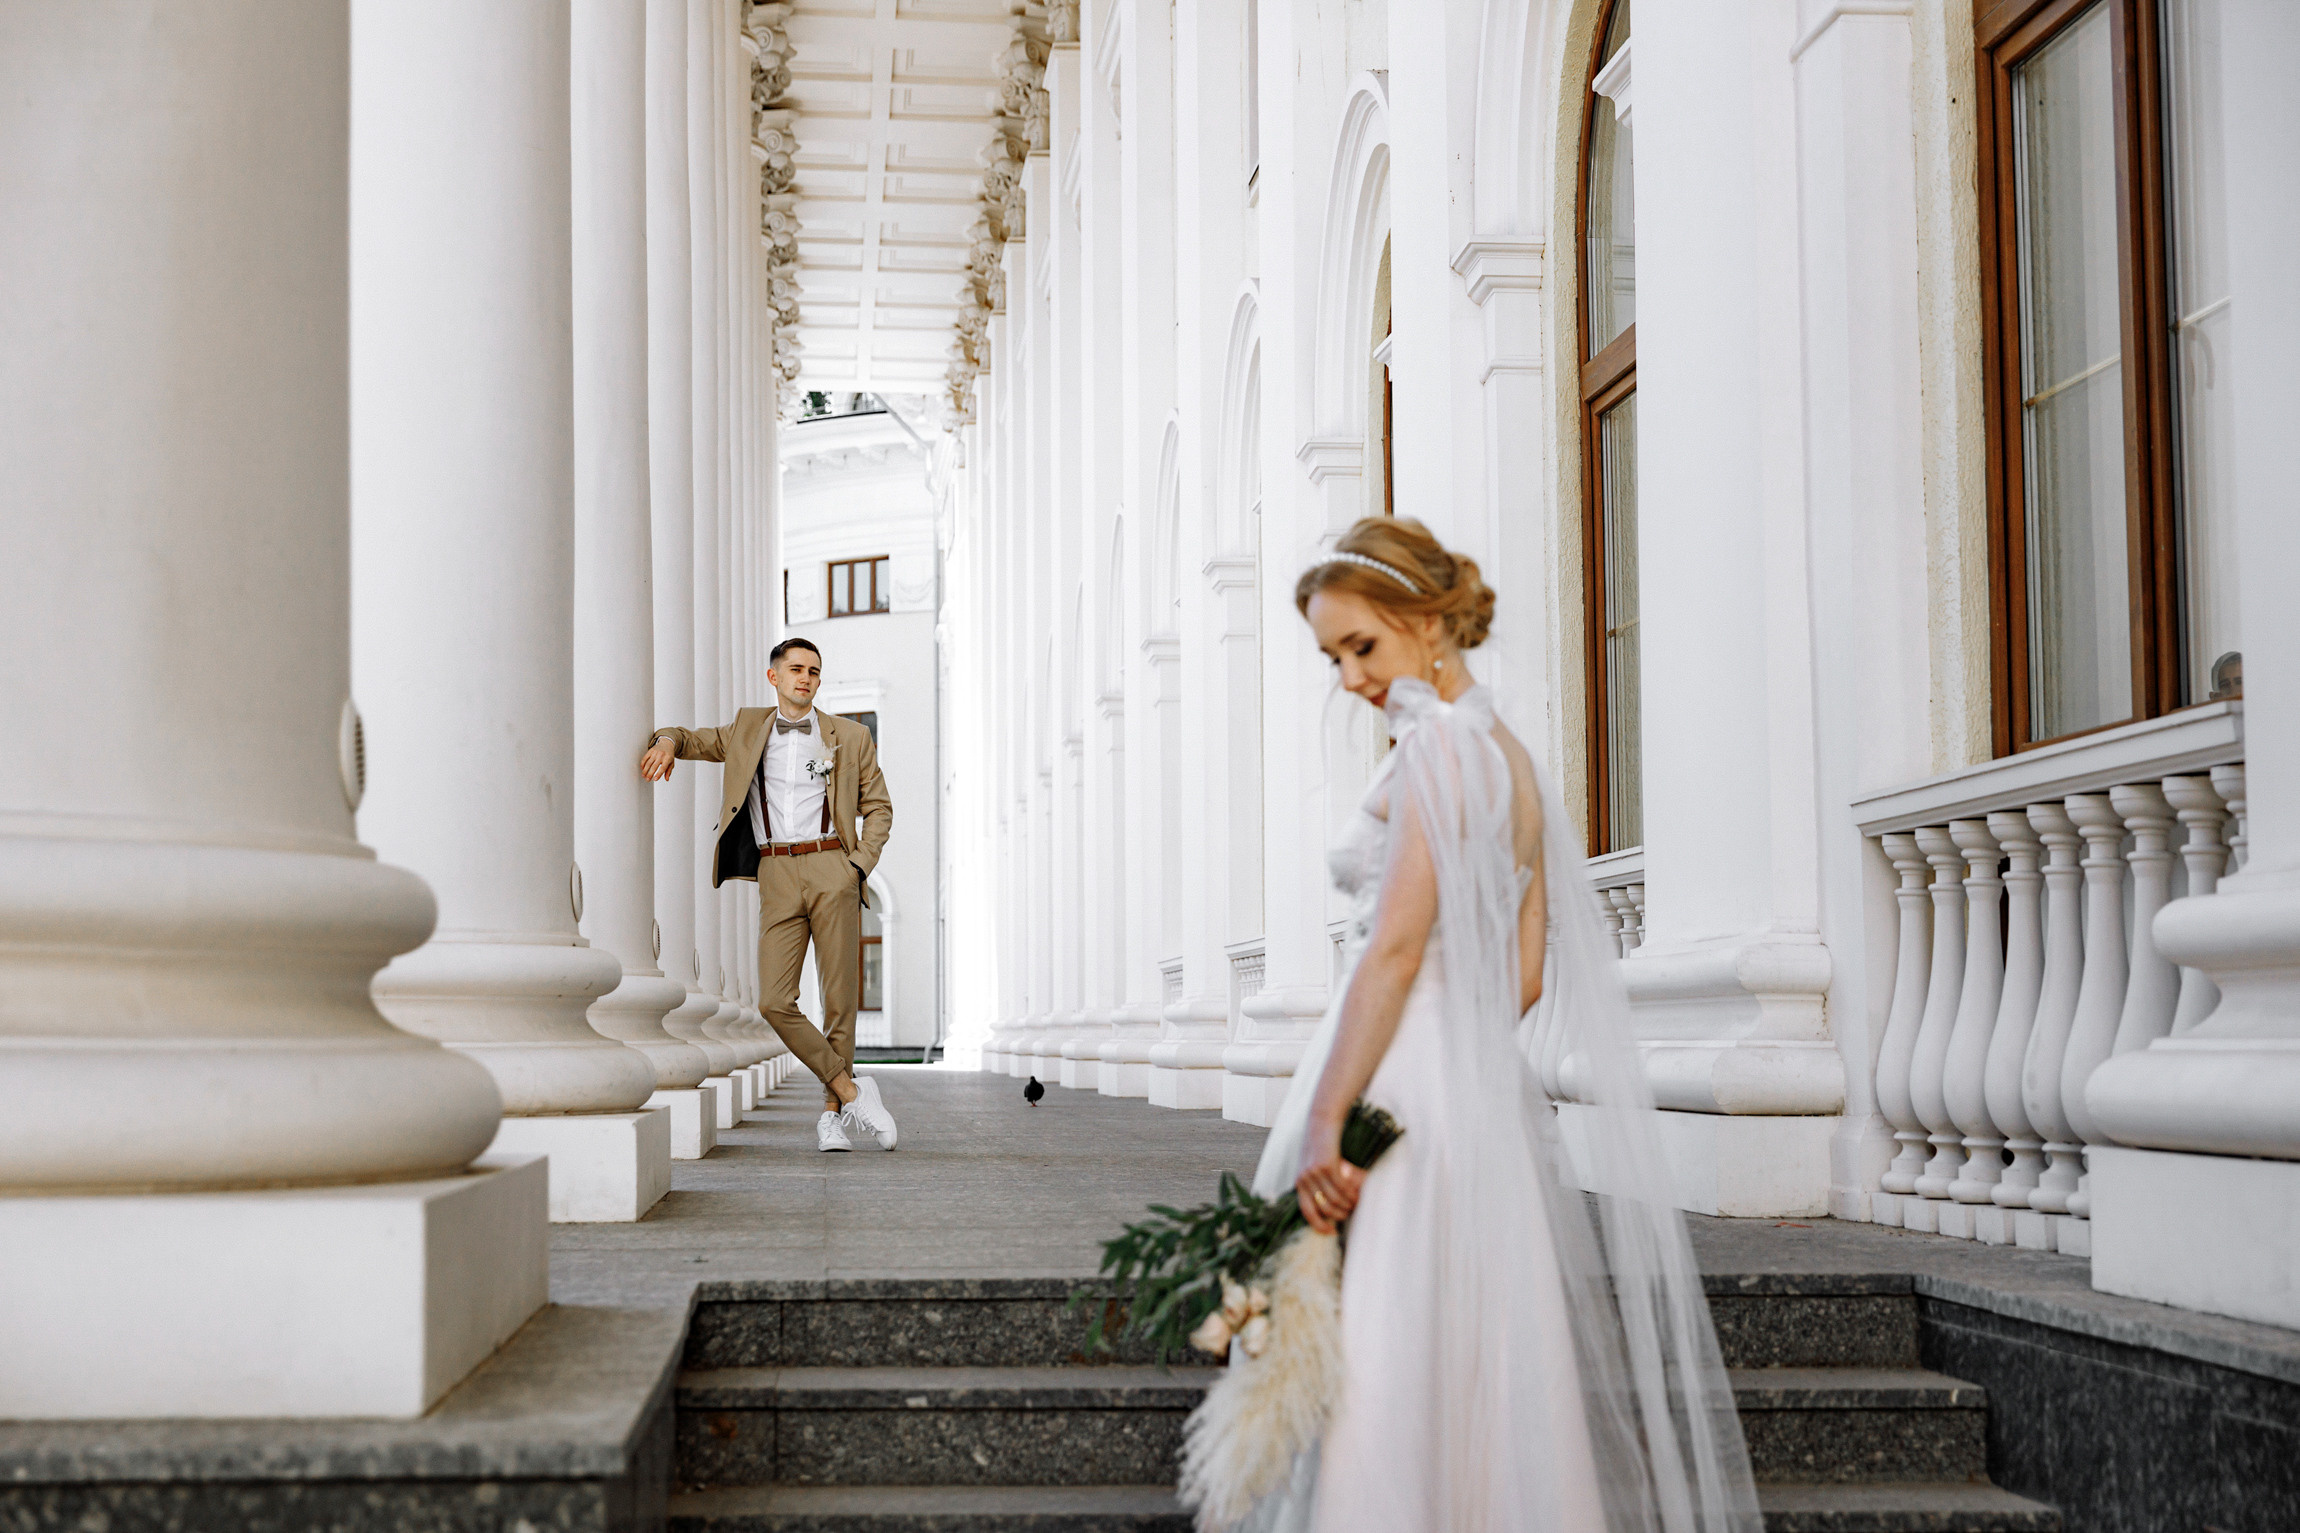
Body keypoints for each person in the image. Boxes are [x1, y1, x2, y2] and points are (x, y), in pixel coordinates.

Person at [1251, 518, 1759, 1531]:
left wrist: (1326, 1119)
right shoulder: (1508, 756)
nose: (1349, 678)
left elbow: (1394, 951)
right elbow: (1523, 976)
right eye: (1332, 657)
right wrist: (1456, 1051)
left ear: (1427, 620)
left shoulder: (1436, 749)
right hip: (1471, 1080)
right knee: (1476, 1347)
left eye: (1362, 645)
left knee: (1389, 1345)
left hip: (1400, 1076)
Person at [641, 636, 898, 1153]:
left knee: (839, 1001)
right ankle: (851, 1090)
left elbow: (879, 808)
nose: (806, 678)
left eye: (814, 671)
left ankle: (831, 1117)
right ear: (774, 676)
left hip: (832, 865)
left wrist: (856, 867)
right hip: (776, 872)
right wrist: (666, 742)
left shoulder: (850, 736)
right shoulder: (747, 728)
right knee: (775, 1001)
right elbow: (689, 738)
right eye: (797, 669)